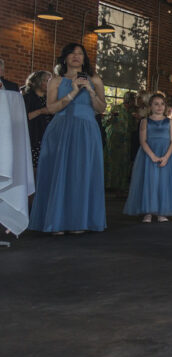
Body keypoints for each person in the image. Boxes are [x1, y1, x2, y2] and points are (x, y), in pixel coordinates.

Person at [28, 43, 107, 234]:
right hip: (60, 129)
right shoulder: (55, 81)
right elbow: (53, 108)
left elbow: (101, 108)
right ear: (65, 58)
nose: (76, 56)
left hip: (86, 130)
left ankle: (78, 220)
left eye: (80, 53)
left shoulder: (95, 79)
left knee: (81, 173)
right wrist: (72, 91)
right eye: (72, 53)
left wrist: (89, 90)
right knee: (58, 172)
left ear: (84, 58)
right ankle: (56, 221)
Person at [124, 92, 172, 223]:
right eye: (156, 104)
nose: (159, 107)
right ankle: (148, 212)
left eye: (162, 104)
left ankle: (162, 212)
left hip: (166, 155)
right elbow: (143, 141)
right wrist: (153, 156)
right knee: (149, 182)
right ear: (150, 106)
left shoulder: (170, 122)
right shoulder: (145, 121)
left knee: (164, 182)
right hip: (149, 155)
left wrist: (166, 157)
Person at [104, 91, 137, 191]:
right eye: (131, 100)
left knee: (124, 164)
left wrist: (136, 119)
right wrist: (111, 117)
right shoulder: (117, 108)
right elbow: (106, 121)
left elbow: (133, 127)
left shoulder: (133, 111)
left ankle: (121, 187)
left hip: (126, 141)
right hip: (114, 139)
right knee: (112, 162)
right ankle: (109, 185)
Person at [22, 70, 53, 174]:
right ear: (37, 82)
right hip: (33, 139)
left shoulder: (49, 99)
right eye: (45, 80)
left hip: (47, 138)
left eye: (50, 81)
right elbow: (24, 118)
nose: (48, 84)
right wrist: (41, 111)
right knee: (32, 171)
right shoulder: (27, 98)